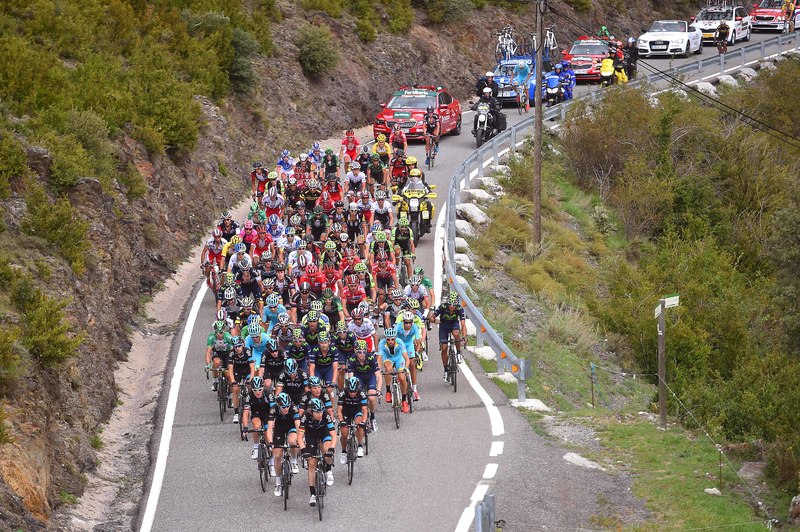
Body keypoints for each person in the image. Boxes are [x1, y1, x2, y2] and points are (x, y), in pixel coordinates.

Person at [299, 397, 337, 506]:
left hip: (323, 433)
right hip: (310, 434)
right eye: (317, 412)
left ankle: (328, 469)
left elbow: (333, 434)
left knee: (326, 451)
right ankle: (312, 494)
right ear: (311, 411)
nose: (320, 414)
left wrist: (331, 449)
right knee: (311, 463)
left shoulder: (325, 415)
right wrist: (303, 450)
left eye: (321, 411)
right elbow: (300, 436)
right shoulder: (305, 416)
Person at [268, 392, 302, 496]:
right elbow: (269, 428)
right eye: (283, 407)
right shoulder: (273, 409)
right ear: (278, 406)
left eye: (287, 406)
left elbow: (298, 425)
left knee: (292, 441)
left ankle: (294, 460)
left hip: (291, 426)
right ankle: (278, 482)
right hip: (279, 429)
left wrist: (300, 440)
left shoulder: (293, 408)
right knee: (277, 455)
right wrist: (270, 443)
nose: (286, 409)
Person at [429, 291, 467, 382]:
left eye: (454, 305)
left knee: (456, 334)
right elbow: (431, 317)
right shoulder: (442, 307)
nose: (451, 307)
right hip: (444, 325)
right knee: (444, 347)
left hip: (454, 324)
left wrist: (464, 336)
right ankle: (446, 370)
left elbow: (463, 324)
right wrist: (435, 321)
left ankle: (458, 352)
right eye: (450, 304)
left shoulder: (459, 309)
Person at [377, 328, 410, 413]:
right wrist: (379, 369)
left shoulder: (400, 342)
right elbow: (379, 358)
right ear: (385, 339)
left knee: (402, 378)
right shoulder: (381, 343)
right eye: (388, 339)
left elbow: (407, 358)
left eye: (392, 339)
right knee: (388, 369)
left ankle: (404, 401)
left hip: (399, 359)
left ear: (395, 338)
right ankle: (388, 391)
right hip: (388, 358)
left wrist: (406, 368)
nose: (390, 341)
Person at [337, 376, 368, 463]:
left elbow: (365, 410)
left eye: (354, 392)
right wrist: (341, 421)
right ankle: (343, 452)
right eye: (350, 392)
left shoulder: (362, 394)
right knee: (344, 433)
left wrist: (363, 422)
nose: (352, 394)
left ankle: (360, 446)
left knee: (359, 425)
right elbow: (339, 410)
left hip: (357, 411)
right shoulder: (342, 393)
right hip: (346, 411)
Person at [242, 376, 273, 460]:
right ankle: (255, 447)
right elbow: (246, 412)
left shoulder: (268, 393)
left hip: (268, 413)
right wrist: (245, 427)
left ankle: (271, 462)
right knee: (256, 426)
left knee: (268, 435)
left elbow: (274, 410)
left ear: (263, 387)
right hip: (256, 413)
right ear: (252, 389)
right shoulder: (249, 395)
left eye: (260, 389)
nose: (258, 392)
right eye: (255, 390)